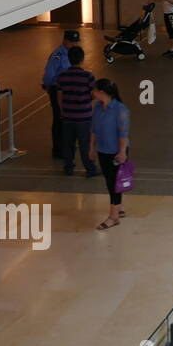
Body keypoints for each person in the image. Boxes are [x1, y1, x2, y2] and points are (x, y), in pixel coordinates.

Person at [90, 79, 130, 230]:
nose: (92, 92)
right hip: (103, 150)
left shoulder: (121, 110)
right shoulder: (97, 108)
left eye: (94, 90)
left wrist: (122, 152)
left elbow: (123, 134)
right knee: (110, 180)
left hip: (116, 151)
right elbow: (93, 129)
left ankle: (113, 217)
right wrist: (91, 148)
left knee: (115, 183)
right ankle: (118, 208)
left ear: (101, 92)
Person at [56, 45, 99, 177]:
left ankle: (68, 167)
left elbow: (59, 95)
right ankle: (90, 168)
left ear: (69, 59)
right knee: (85, 144)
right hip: (84, 116)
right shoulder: (88, 76)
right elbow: (94, 94)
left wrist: (63, 110)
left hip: (68, 116)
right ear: (82, 59)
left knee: (68, 144)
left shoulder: (62, 76)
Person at [41, 30, 81, 158]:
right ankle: (58, 149)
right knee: (59, 119)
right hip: (57, 90)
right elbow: (48, 75)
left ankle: (68, 146)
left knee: (69, 119)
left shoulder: (72, 53)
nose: (74, 44)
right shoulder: (57, 55)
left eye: (76, 42)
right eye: (72, 42)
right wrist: (49, 88)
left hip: (69, 90)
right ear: (65, 40)